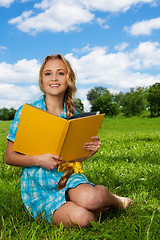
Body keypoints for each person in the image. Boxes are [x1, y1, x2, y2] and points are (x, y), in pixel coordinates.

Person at [5, 54, 132, 227]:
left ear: (69, 79)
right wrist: (38, 160)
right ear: (41, 80)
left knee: (91, 198)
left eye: (60, 73)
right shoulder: (27, 112)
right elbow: (9, 157)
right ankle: (89, 208)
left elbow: (70, 157)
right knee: (84, 219)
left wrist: (88, 153)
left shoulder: (72, 115)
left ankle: (115, 200)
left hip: (67, 179)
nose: (54, 78)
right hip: (38, 189)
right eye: (48, 74)